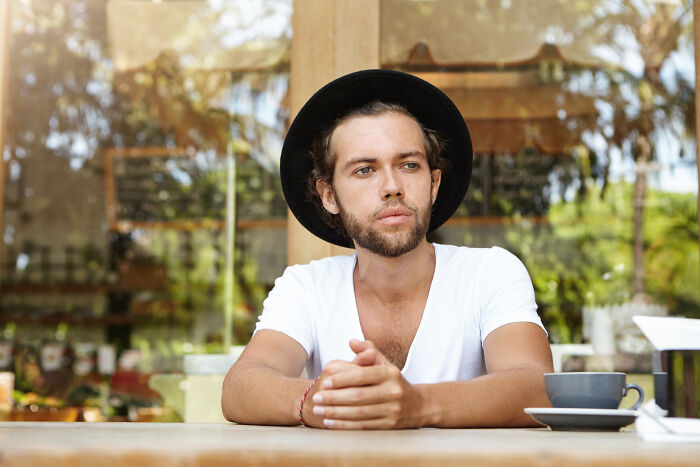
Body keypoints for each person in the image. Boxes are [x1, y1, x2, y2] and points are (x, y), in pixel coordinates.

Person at [222, 70, 553, 429]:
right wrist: (311, 401)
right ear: (329, 195)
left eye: (409, 165)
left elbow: (538, 388)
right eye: (365, 170)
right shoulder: (306, 287)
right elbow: (240, 386)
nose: (392, 186)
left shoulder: (489, 273)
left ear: (434, 183)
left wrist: (420, 404)